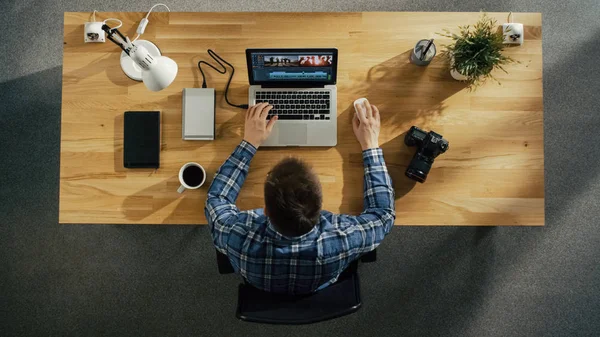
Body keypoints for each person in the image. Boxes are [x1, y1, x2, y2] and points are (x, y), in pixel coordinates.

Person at [205, 100, 395, 295]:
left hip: (261, 283)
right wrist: (370, 145)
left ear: (266, 211)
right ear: (320, 206)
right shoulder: (343, 240)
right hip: (318, 284)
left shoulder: (237, 238)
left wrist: (249, 143)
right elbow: (383, 216)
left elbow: (216, 199)